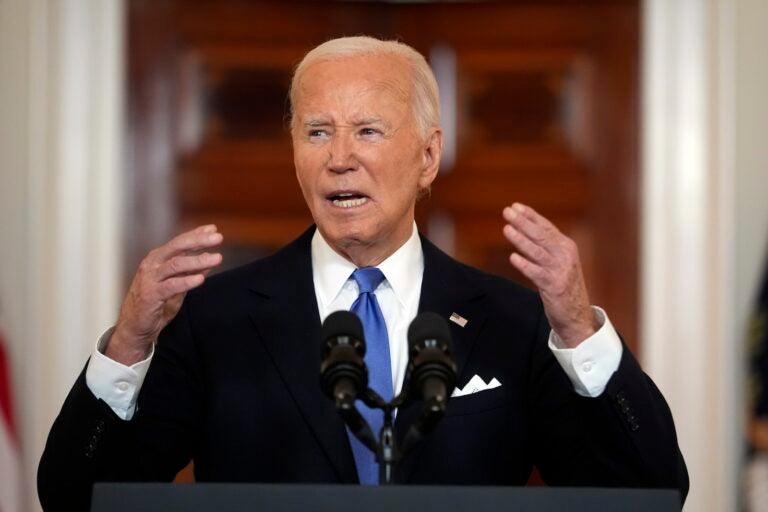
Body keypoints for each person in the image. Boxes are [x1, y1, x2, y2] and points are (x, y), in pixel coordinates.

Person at [38, 36, 688, 511]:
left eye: (367, 130)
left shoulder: (512, 320)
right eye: (316, 132)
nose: (340, 159)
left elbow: (650, 492)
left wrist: (577, 327)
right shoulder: (215, 317)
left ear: (428, 156)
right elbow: (75, 496)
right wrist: (128, 344)